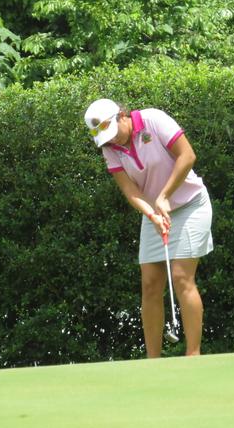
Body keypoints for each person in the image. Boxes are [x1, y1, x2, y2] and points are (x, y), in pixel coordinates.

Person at [84, 98, 213, 357]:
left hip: (190, 204)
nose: (112, 140)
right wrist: (152, 214)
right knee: (151, 284)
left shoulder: (153, 120)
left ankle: (193, 356)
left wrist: (164, 196)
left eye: (113, 132)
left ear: (122, 115)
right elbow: (129, 189)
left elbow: (187, 156)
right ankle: (152, 362)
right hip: (155, 212)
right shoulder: (110, 147)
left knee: (181, 276)